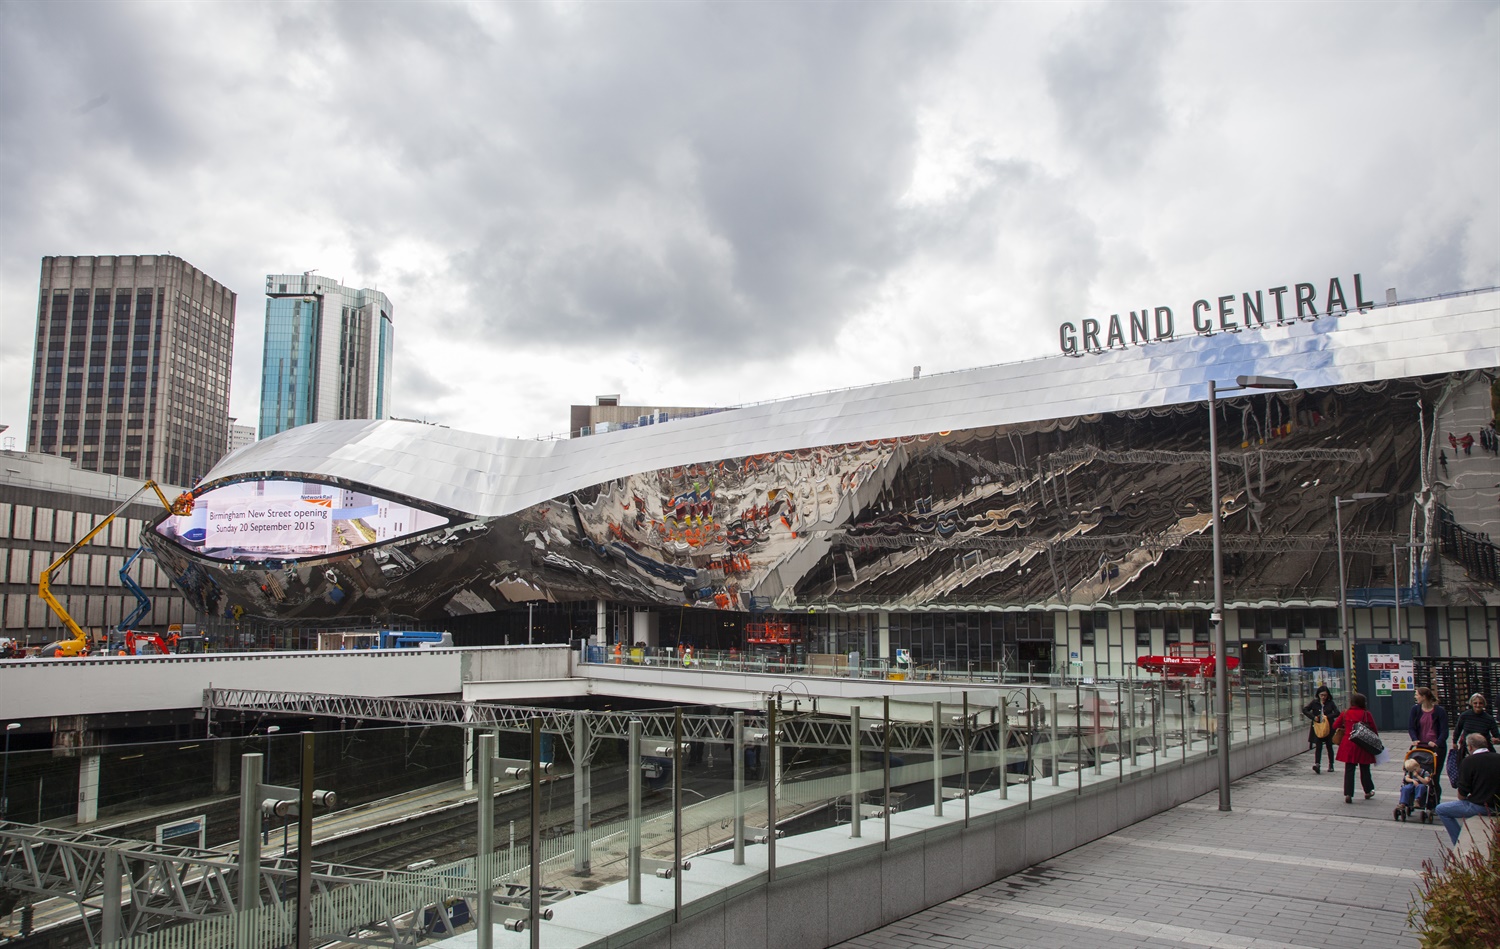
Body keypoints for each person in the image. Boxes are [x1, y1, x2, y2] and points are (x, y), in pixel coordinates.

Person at [1434, 733, 1500, 845]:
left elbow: (1462, 794)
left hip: (1480, 806)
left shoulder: (1469, 761)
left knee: (1441, 809)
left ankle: (1459, 843)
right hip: (1498, 806)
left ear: (1469, 747)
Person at [1330, 692, 1379, 803]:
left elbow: (1334, 725)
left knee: (1349, 769)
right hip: (1363, 744)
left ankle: (1348, 794)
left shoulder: (1345, 713)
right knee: (1365, 769)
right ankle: (1368, 790)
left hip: (1349, 744)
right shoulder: (1366, 714)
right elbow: (1374, 730)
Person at [1408, 686, 1449, 790]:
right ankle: (1420, 797)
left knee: (1434, 776)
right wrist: (1414, 739)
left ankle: (1434, 799)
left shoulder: (1440, 711)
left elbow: (1444, 731)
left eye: (1417, 695)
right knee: (1418, 773)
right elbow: (1411, 727)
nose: (1415, 697)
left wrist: (1437, 743)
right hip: (1421, 747)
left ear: (1424, 697)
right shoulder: (1415, 710)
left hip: (1436, 748)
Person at [1451, 693, 1500, 781]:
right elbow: (1458, 729)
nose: (1478, 705)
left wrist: (1496, 740)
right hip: (1468, 749)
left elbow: (1496, 735)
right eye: (1475, 703)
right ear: (1472, 704)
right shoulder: (1465, 715)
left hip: (1484, 749)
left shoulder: (1489, 718)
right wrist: (1454, 741)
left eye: (1480, 703)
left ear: (1483, 704)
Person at [1303, 685, 1340, 774]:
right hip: (1318, 727)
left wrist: (1327, 717)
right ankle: (1317, 764)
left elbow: (1337, 712)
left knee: (1329, 746)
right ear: (1318, 695)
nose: (1323, 697)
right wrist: (1313, 717)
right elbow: (1305, 710)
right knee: (1318, 746)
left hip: (1328, 727)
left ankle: (1331, 764)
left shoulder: (1330, 703)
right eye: (1321, 695)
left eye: (1325, 695)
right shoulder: (1315, 703)